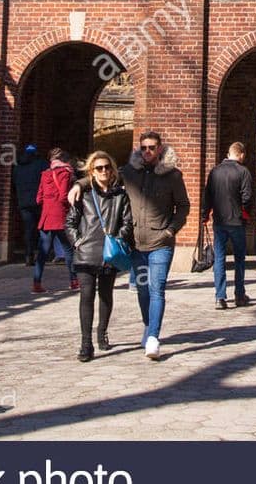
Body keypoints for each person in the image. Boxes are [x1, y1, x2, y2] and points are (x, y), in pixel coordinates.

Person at [71, 130, 190, 360]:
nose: (147, 151)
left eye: (152, 147)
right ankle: (148, 324)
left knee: (158, 288)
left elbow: (183, 206)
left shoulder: (173, 176)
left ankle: (154, 336)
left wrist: (171, 229)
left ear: (160, 148)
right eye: (143, 147)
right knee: (143, 290)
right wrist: (79, 184)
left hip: (160, 242)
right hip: (135, 243)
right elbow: (105, 176)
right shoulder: (129, 173)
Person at [64, 150, 133, 362]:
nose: (103, 171)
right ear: (91, 172)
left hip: (108, 252)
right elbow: (70, 222)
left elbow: (127, 222)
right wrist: (77, 241)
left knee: (105, 294)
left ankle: (102, 331)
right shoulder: (83, 194)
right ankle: (86, 343)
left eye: (107, 167)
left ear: (112, 170)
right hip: (86, 252)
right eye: (99, 168)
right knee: (86, 296)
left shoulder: (120, 195)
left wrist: (117, 238)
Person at [203, 141, 254, 310]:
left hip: (219, 221)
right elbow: (247, 197)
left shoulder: (215, 171)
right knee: (239, 258)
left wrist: (205, 215)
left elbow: (207, 196)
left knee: (219, 259)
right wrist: (244, 212)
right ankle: (239, 295)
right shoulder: (243, 171)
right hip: (237, 221)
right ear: (241, 154)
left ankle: (220, 296)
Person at [34, 147, 78, 293]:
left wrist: (48, 204)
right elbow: (64, 195)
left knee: (42, 251)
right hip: (60, 216)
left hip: (46, 217)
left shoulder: (45, 174)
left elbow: (38, 198)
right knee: (68, 250)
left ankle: (37, 283)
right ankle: (73, 281)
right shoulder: (65, 173)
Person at [12, 144, 46, 266]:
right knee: (42, 229)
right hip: (39, 202)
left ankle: (28, 254)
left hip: (23, 202)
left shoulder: (18, 167)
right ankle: (40, 253)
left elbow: (14, 184)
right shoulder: (41, 165)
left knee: (28, 229)